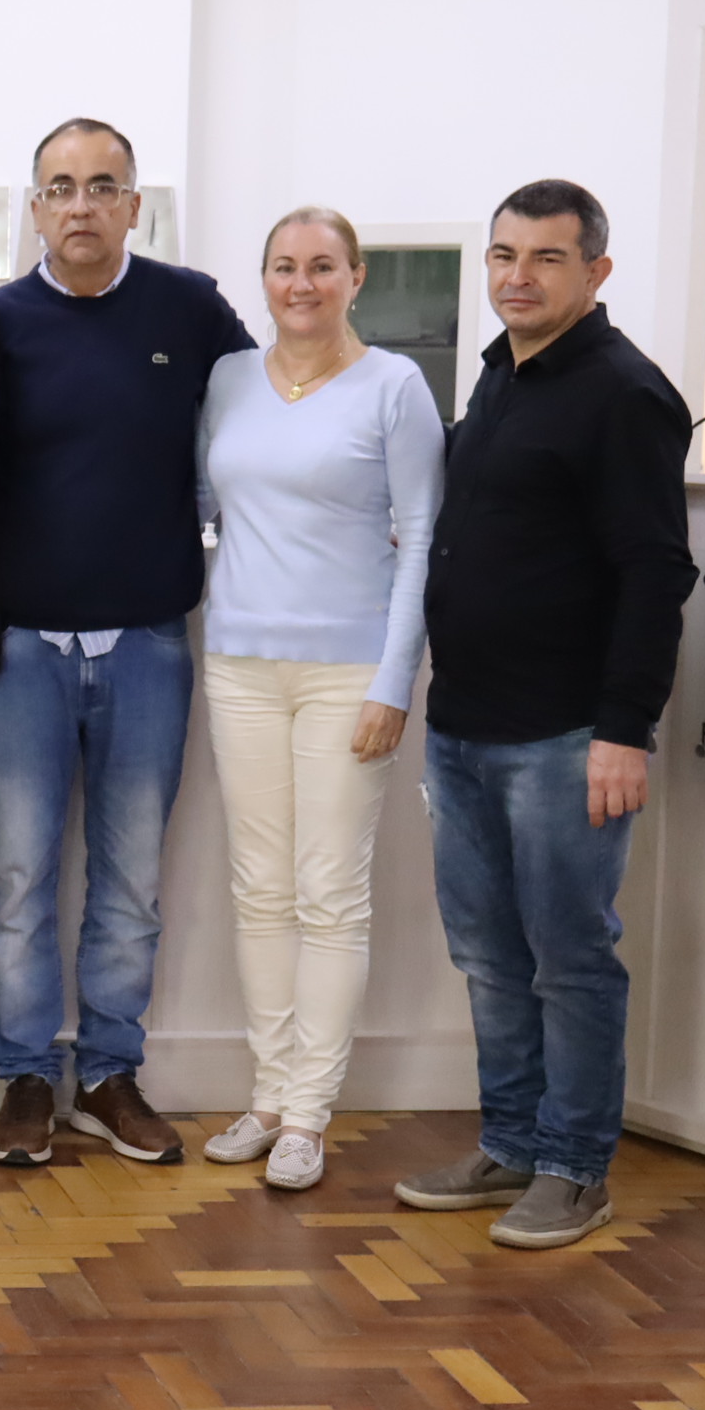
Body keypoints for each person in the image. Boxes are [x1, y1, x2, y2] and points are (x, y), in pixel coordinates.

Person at [395, 180, 693, 1249]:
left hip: (568, 736)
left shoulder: (625, 392)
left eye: (546, 258)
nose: (517, 277)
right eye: (504, 255)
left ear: (596, 272)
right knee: (489, 956)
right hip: (464, 727)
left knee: (571, 960)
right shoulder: (499, 375)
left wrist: (624, 728)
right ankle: (513, 1143)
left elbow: (655, 571)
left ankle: (576, 1167)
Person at [0, 119, 254, 1169]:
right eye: (60, 187)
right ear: (34, 207)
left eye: (101, 186)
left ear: (136, 204)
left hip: (146, 645)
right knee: (16, 879)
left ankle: (108, 1075)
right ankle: (25, 1076)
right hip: (14, 652)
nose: (80, 205)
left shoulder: (192, 308)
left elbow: (271, 422)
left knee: (131, 882)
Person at [195, 208, 442, 1192]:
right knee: (259, 888)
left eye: (322, 267)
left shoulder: (395, 387)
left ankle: (308, 1115)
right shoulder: (227, 380)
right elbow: (206, 505)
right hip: (239, 664)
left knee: (329, 892)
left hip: (349, 673)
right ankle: (266, 1097)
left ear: (355, 277)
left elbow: (422, 541)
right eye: (284, 267)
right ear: (263, 279)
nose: (302, 284)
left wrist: (394, 680)